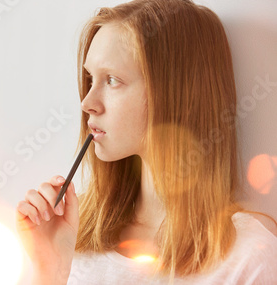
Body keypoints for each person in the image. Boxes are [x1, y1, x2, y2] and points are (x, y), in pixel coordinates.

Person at [15, 0, 277, 284]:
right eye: (90, 79)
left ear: (176, 93)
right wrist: (49, 271)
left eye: (113, 80)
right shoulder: (70, 234)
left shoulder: (247, 257)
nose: (87, 102)